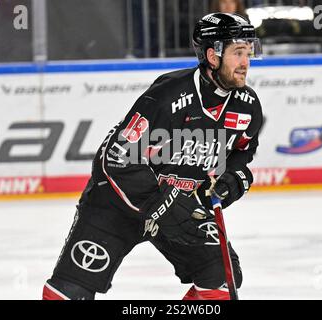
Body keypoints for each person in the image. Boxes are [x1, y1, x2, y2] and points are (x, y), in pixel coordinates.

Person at [42, 12, 264, 300]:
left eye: (249, 52)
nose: (245, 62)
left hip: (181, 208)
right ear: (212, 55)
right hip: (116, 204)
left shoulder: (246, 107)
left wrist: (232, 179)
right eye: (238, 53)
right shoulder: (168, 96)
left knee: (221, 275)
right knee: (70, 290)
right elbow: (117, 158)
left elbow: (241, 153)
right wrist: (162, 206)